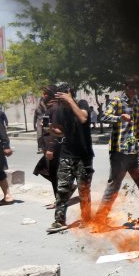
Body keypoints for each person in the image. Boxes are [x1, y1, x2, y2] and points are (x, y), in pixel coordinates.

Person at [96, 75, 139, 225]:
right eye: (132, 87)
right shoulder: (116, 101)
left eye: (137, 88)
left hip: (135, 152)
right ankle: (100, 219)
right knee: (114, 186)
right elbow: (104, 117)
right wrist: (119, 117)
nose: (134, 91)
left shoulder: (137, 104)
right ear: (125, 87)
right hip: (119, 152)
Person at [46, 84, 94, 233]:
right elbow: (61, 132)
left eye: (63, 95)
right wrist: (51, 130)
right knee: (62, 190)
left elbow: (83, 118)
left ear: (70, 93)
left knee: (83, 190)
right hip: (66, 154)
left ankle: (86, 219)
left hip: (83, 155)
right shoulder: (60, 110)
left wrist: (70, 100)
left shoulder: (81, 104)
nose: (60, 99)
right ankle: (59, 221)